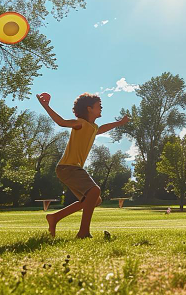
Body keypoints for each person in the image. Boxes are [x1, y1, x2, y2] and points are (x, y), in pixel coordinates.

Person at [37, 92, 129, 238]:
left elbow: (102, 128)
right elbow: (61, 122)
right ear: (89, 108)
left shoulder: (92, 127)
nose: (101, 107)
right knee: (94, 191)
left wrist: (119, 123)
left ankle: (55, 217)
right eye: (99, 105)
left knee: (95, 199)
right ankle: (83, 232)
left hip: (73, 168)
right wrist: (45, 106)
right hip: (67, 167)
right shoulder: (80, 123)